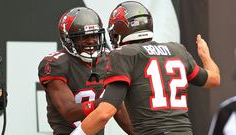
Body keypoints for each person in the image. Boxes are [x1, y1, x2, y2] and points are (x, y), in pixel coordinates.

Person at [71, 1, 221, 135]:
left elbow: (105, 112)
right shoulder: (178, 50)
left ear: (121, 30)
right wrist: (205, 56)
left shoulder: (125, 54)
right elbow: (214, 80)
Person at [38, 7, 133, 135]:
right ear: (68, 39)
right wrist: (108, 102)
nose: (91, 41)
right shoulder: (55, 64)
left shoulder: (109, 59)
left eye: (95, 35)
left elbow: (119, 109)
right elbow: (69, 112)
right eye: (84, 37)